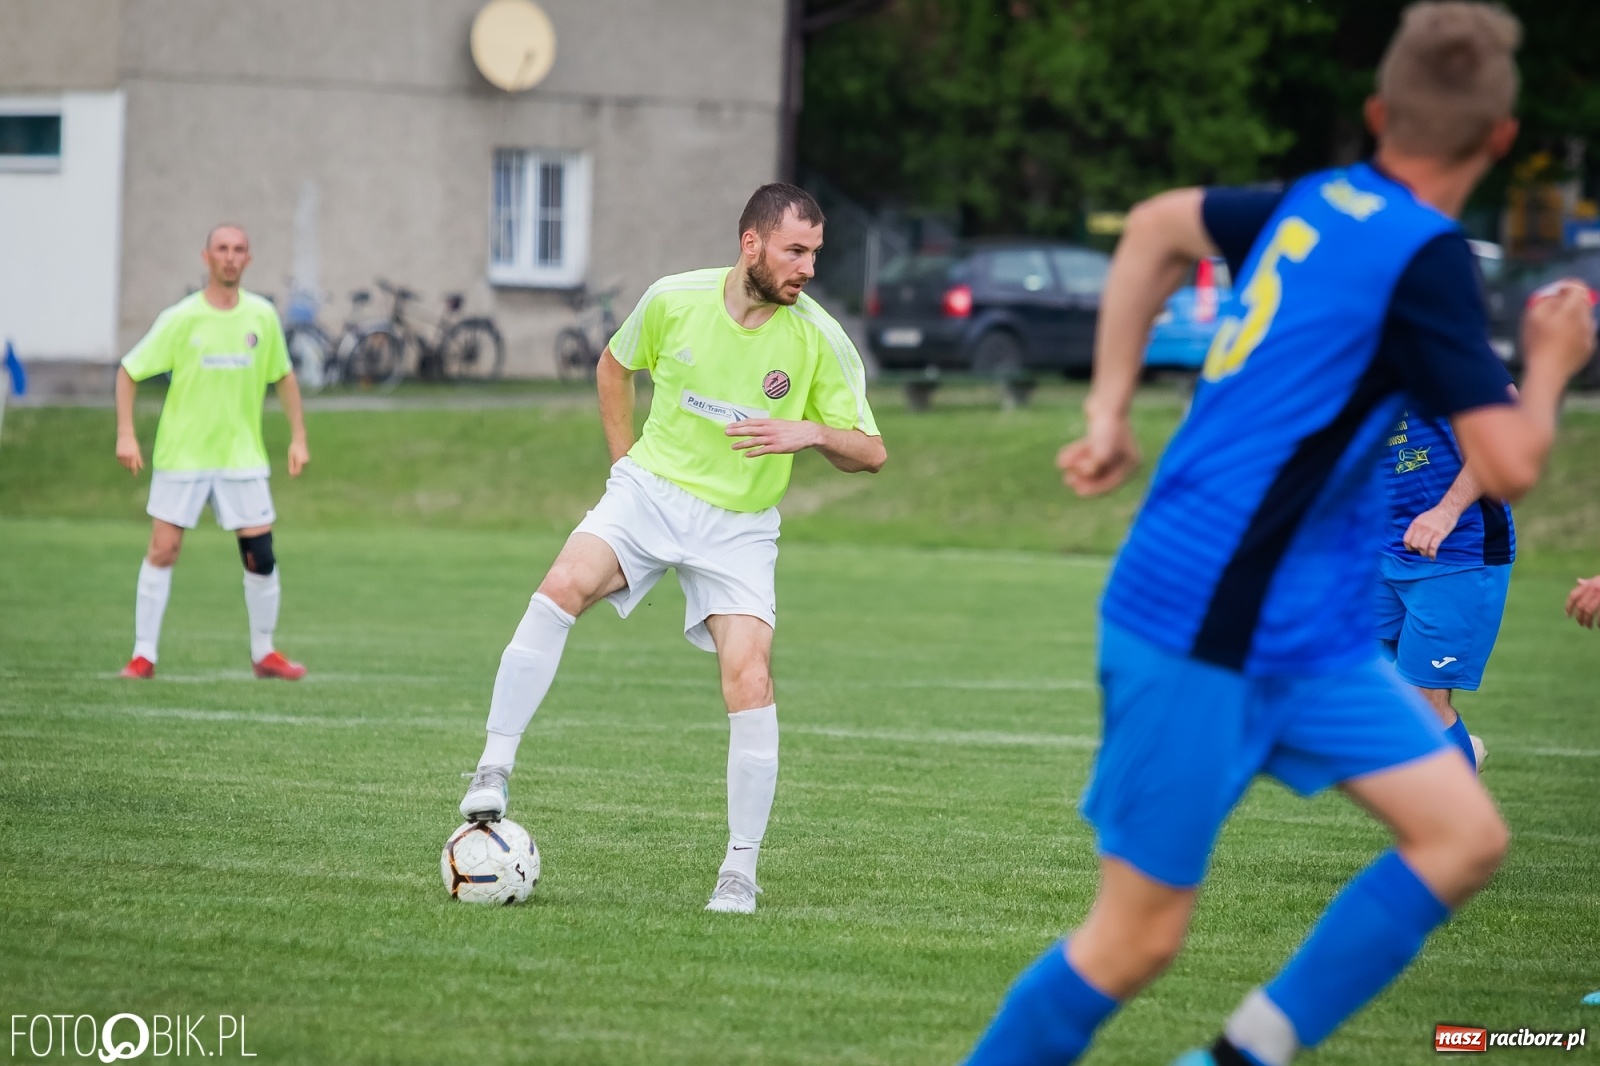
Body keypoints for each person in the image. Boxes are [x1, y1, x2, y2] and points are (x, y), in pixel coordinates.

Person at [963, 5, 1596, 1065]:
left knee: (1462, 834)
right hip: (1198, 618)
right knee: (1133, 940)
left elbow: (1159, 222)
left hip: (1304, 624)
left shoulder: (1317, 202)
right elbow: (1515, 463)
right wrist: (1551, 358)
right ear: (1498, 142)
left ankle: (1233, 1055)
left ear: (1377, 112)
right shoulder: (1427, 257)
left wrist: (1107, 406)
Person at [457, 183, 885, 914]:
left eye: (816, 253)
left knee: (749, 679)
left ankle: (739, 872)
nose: (808, 267)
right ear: (751, 244)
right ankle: (493, 766)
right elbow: (614, 367)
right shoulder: (672, 300)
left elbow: (871, 451)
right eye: (795, 250)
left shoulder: (819, 338)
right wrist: (624, 465)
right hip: (650, 494)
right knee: (562, 585)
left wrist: (810, 432)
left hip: (740, 526)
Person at [115, 224, 310, 681]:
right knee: (164, 549)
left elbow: (283, 377)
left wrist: (298, 437)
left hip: (241, 456)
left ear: (249, 259)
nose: (229, 256)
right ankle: (143, 655)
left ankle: (264, 653)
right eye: (221, 249)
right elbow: (128, 371)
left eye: (238, 249)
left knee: (260, 553)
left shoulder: (261, 316)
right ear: (206, 257)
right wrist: (126, 434)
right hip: (183, 455)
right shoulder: (181, 318)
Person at [1376, 404, 1514, 769]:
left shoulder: (1444, 346)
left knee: (1425, 699)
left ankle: (1456, 800)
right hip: (1376, 545)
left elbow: (1509, 422)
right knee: (1342, 678)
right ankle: (1454, 749)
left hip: (1457, 550)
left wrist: (1447, 510)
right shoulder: (1344, 358)